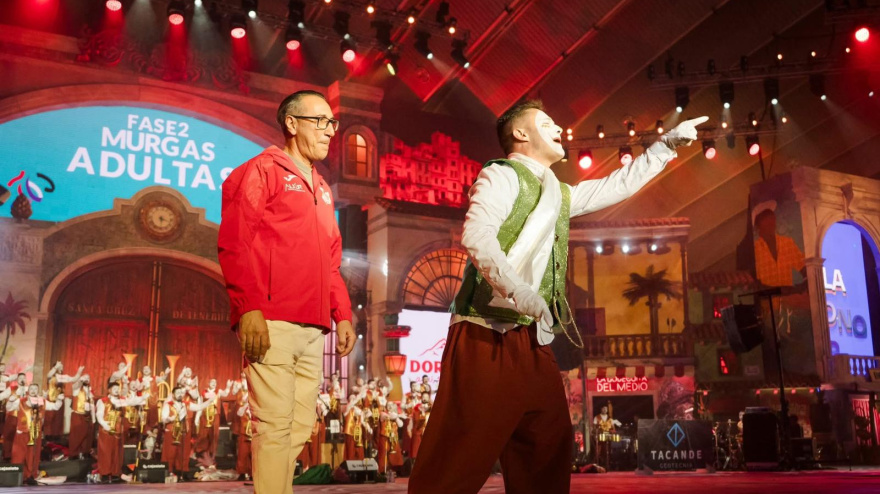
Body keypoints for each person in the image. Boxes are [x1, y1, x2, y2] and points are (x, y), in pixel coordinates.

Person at [408, 100, 706, 494]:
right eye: (547, 122)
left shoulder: (559, 194)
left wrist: (664, 147)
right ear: (520, 134)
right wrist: (522, 294)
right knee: (460, 450)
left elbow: (615, 185)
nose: (559, 126)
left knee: (547, 444)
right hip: (486, 330)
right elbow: (477, 238)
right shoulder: (500, 175)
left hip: (532, 338)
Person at [218, 89, 356, 494]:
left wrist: (342, 313)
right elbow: (235, 243)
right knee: (275, 425)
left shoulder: (322, 188)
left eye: (332, 123)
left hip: (313, 327)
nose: (330, 131)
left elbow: (331, 261)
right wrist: (249, 309)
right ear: (292, 124)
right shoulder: (263, 170)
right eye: (320, 121)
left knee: (299, 425)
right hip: (272, 321)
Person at [12, 384, 64, 484]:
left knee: (32, 455)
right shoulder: (21, 401)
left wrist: (59, 399)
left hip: (35, 432)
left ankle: (30, 475)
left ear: (38, 391)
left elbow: (56, 407)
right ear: (28, 390)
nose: (33, 390)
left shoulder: (42, 402)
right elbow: (9, 406)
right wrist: (11, 399)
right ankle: (17, 475)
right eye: (31, 389)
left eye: (35, 389)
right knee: (19, 455)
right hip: (22, 432)